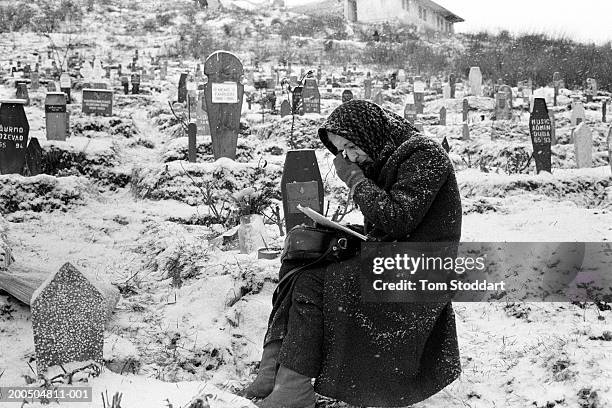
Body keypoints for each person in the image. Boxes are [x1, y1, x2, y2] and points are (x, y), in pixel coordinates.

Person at [242, 100, 462, 407]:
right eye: (340, 151)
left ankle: (295, 387)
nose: (348, 158)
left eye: (349, 147)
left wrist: (356, 181)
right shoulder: (387, 157)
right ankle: (273, 372)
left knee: (315, 283)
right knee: (300, 263)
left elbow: (396, 218)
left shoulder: (425, 156)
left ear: (367, 132)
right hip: (393, 258)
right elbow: (387, 226)